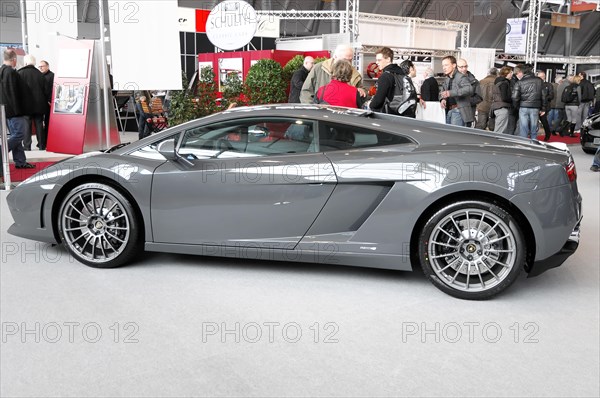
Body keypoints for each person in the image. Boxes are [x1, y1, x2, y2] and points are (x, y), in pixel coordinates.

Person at [0, 49, 35, 169]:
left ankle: (20, 161)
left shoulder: (2, 70)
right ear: (14, 59)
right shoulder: (9, 72)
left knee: (16, 135)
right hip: (14, 111)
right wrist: (17, 110)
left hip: (7, 110)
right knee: (19, 134)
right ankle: (2, 151)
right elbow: (12, 93)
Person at [299, 44, 364, 104]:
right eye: (345, 60)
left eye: (350, 60)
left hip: (344, 114)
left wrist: (362, 92)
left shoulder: (355, 74)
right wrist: (313, 109)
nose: (348, 63)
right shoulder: (318, 68)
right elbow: (306, 91)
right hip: (321, 113)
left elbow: (362, 93)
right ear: (335, 56)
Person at [18, 54, 47, 151]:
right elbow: (45, 91)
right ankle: (42, 145)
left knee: (27, 125)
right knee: (39, 125)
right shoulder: (40, 74)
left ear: (25, 62)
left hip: (25, 106)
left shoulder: (20, 73)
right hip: (39, 105)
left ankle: (27, 147)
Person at [512, 63, 545, 139]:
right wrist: (543, 108)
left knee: (523, 129)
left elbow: (514, 97)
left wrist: (517, 107)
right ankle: (533, 144)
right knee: (534, 129)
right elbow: (543, 95)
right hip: (535, 106)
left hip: (523, 106)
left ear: (523, 72)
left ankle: (524, 145)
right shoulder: (539, 81)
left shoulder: (519, 82)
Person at [439, 55, 474, 127]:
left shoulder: (460, 76)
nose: (444, 68)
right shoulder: (448, 78)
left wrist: (450, 93)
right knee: (450, 136)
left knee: (455, 136)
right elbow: (442, 91)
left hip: (458, 111)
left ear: (454, 65)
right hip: (449, 111)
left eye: (446, 65)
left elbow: (469, 89)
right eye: (443, 66)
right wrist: (443, 99)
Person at [456, 59, 481, 127]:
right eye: (461, 67)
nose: (464, 69)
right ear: (456, 67)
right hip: (453, 111)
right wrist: (443, 99)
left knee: (464, 135)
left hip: (467, 113)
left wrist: (465, 102)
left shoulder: (474, 81)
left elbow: (479, 97)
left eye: (465, 66)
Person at [491, 66, 514, 134]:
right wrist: (513, 99)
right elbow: (504, 97)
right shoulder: (504, 83)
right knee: (500, 131)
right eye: (510, 72)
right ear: (506, 73)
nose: (512, 74)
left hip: (497, 107)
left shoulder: (498, 82)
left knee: (499, 129)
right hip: (502, 108)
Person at [38, 60, 54, 150]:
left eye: (42, 66)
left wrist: (49, 100)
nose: (40, 68)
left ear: (47, 66)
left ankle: (48, 141)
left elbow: (53, 89)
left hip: (48, 103)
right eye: (39, 67)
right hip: (40, 103)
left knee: (48, 122)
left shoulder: (52, 76)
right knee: (40, 123)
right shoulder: (39, 76)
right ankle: (42, 142)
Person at [536, 70, 554, 141]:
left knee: (544, 121)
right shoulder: (535, 84)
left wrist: (544, 98)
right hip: (536, 106)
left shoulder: (548, 85)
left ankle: (548, 134)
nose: (540, 78)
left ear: (544, 77)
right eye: (539, 76)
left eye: (542, 77)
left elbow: (551, 96)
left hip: (545, 106)